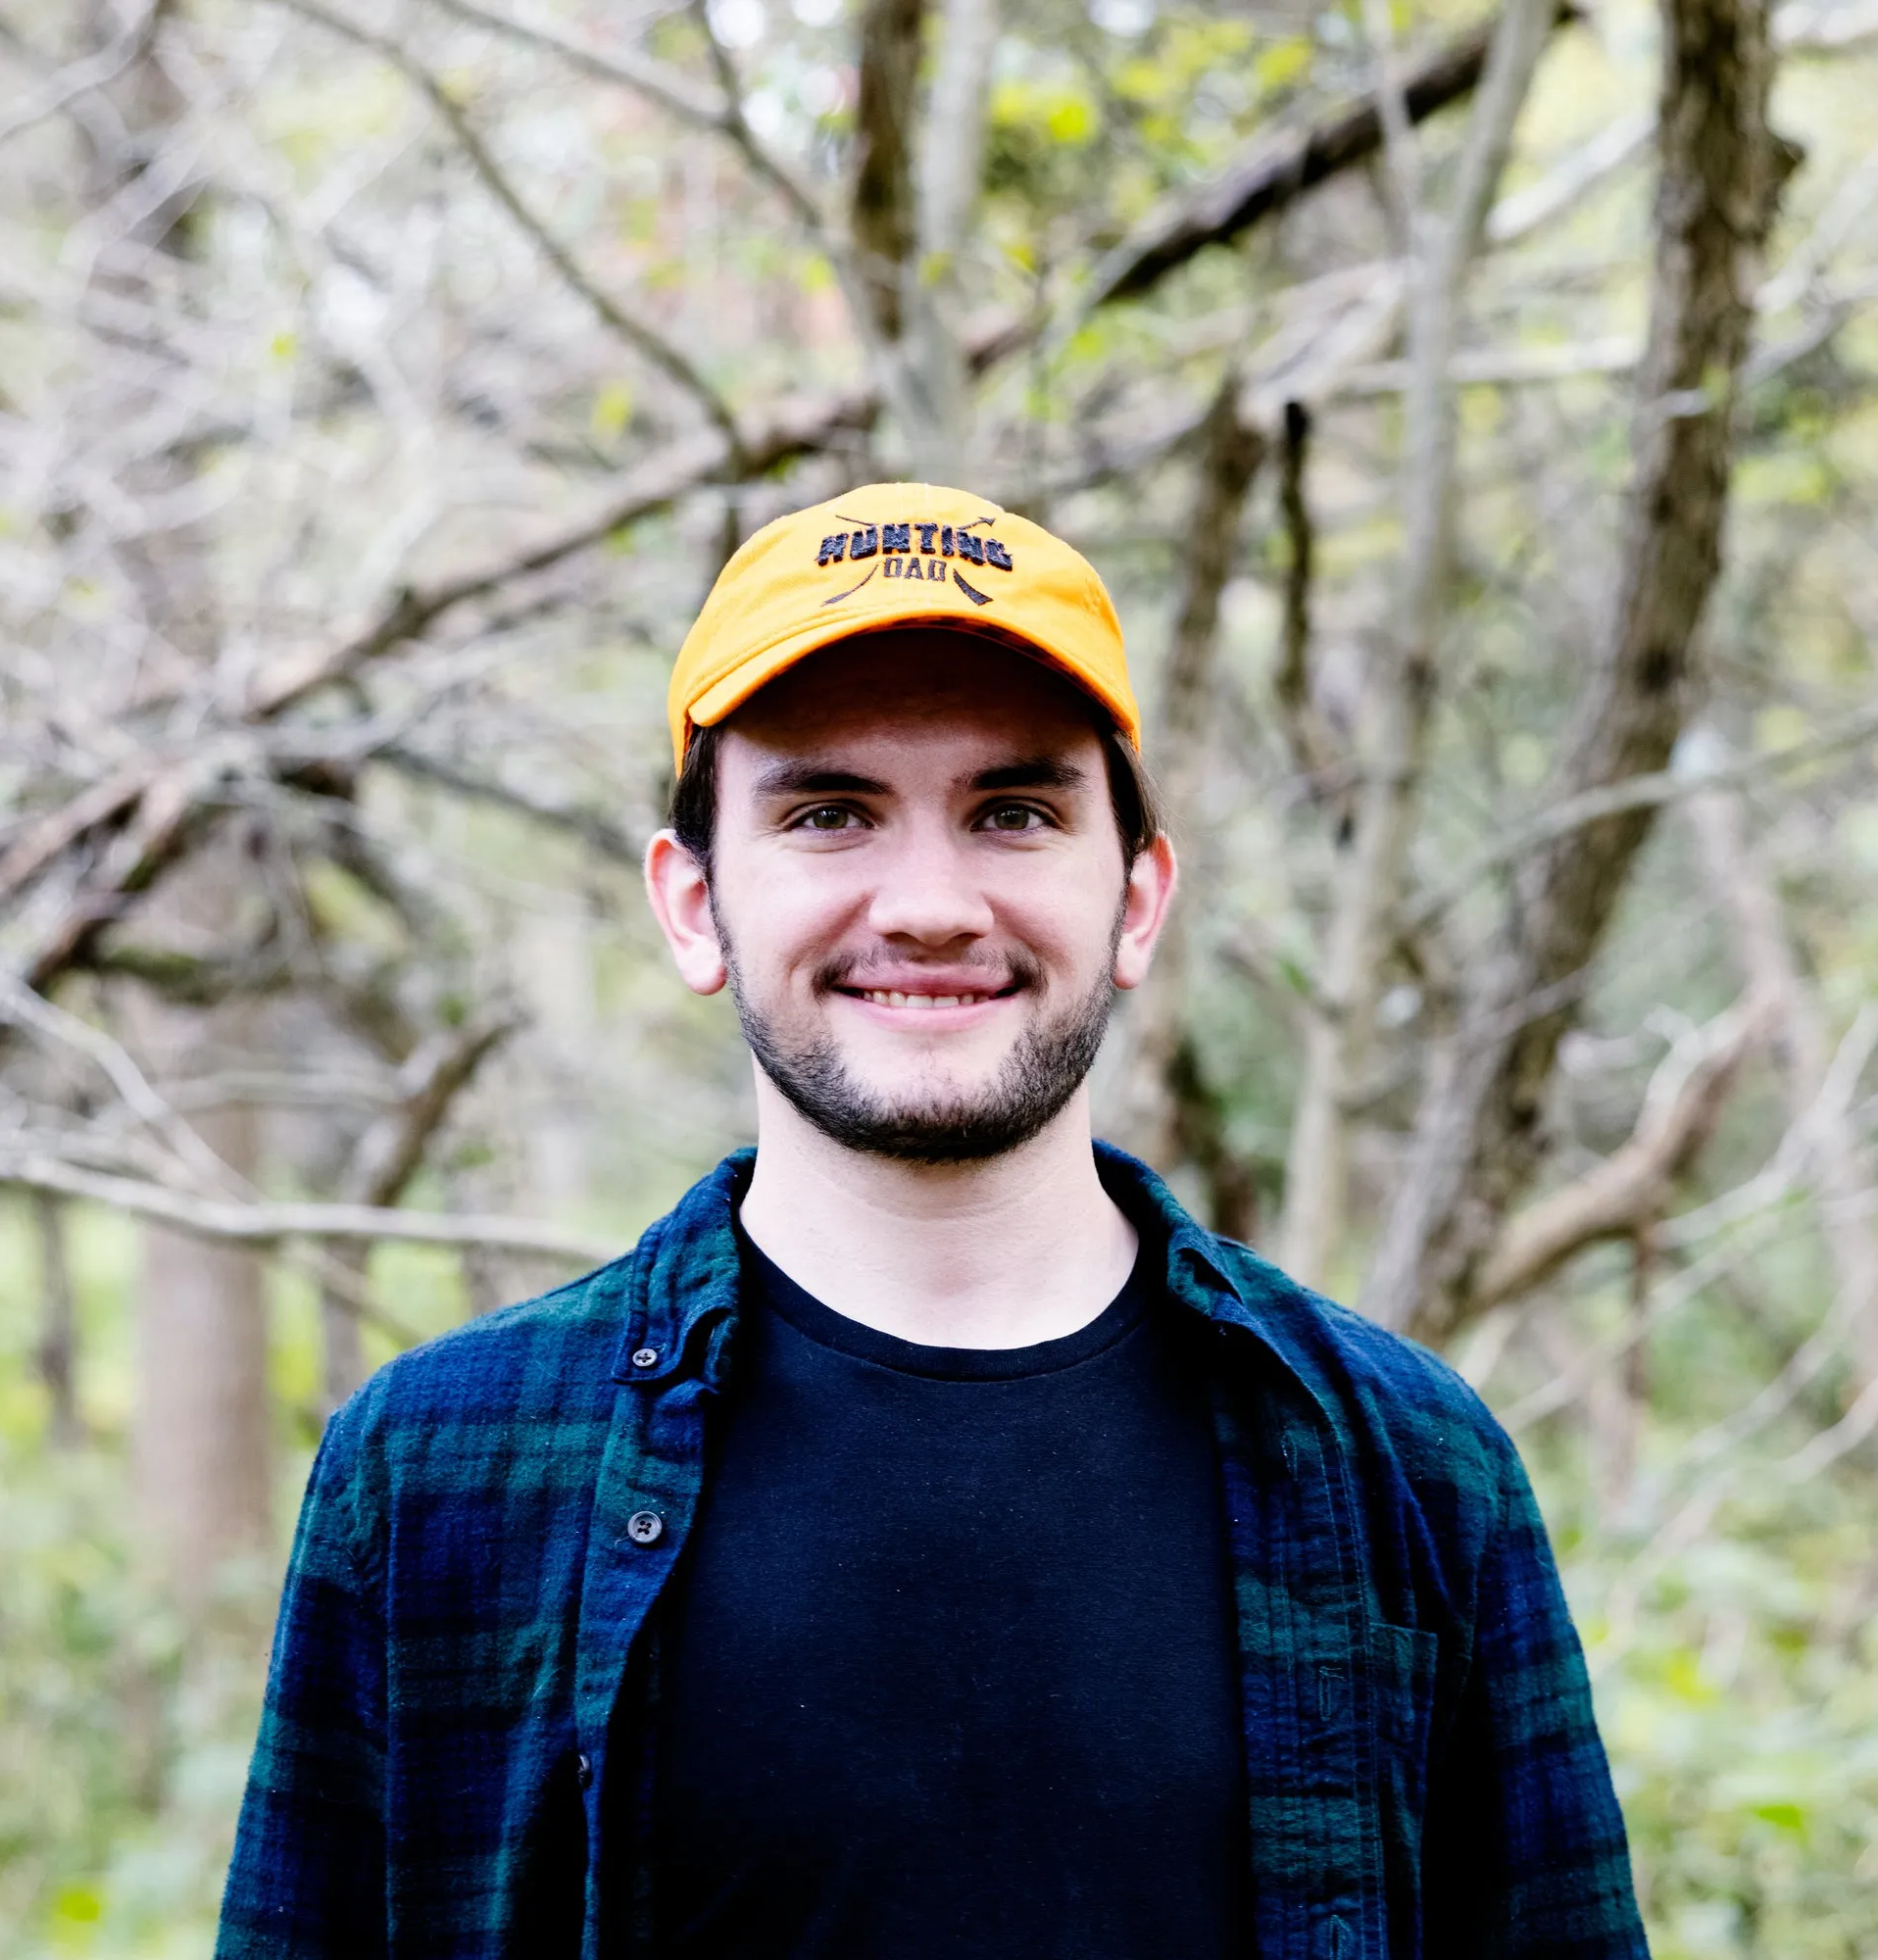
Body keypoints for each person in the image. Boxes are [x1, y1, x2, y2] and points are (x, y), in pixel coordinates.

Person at [216, 484, 1649, 1960]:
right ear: (695, 902)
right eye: (831, 813)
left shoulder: (1409, 1471)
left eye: (1013, 812)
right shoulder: (439, 1476)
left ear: (1137, 899)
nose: (930, 905)